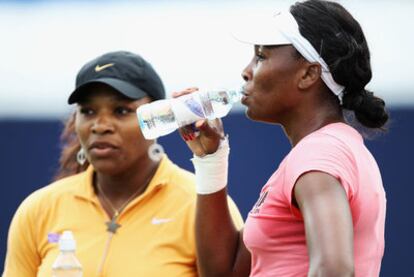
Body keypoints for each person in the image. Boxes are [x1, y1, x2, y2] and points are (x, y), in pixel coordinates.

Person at [178, 1, 389, 276]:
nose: (246, 70)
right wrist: (211, 159)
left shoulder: (319, 153)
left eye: (261, 56)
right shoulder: (325, 149)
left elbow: (334, 270)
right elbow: (225, 271)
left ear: (308, 74)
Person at [2, 51, 244, 277]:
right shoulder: (39, 209)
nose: (100, 125)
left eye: (121, 110)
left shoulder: (199, 205)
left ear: (162, 118)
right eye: (87, 111)